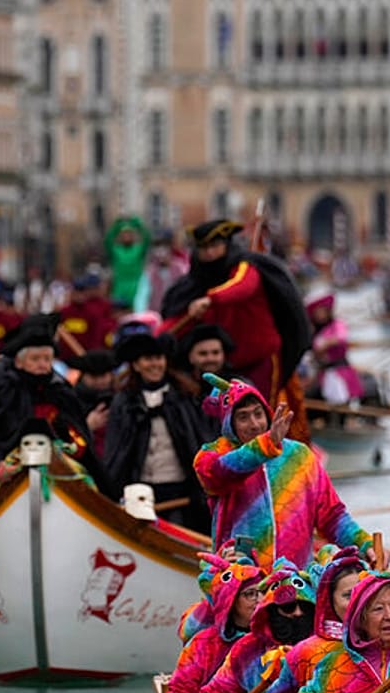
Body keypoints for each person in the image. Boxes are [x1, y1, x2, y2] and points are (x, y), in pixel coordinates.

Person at [193, 373, 373, 567]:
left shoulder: (299, 455)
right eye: (243, 417)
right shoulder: (213, 455)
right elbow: (220, 473)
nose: (254, 424)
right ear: (229, 423)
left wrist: (364, 545)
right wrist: (266, 446)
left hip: (295, 580)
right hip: (242, 581)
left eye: (258, 413)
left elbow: (332, 516)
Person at [0, 315, 110, 495]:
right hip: (6, 470)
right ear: (19, 362)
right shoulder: (2, 386)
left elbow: (78, 435)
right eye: (36, 359)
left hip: (60, 470)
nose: (42, 365)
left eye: (47, 359)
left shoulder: (60, 390)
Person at [160, 219, 312, 406]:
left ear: (226, 245)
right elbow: (181, 318)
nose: (209, 253)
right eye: (203, 248)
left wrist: (210, 299)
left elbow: (242, 286)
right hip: (223, 366)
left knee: (258, 410)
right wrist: (155, 340)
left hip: (260, 358)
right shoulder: (196, 281)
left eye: (214, 246)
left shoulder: (245, 266)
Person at [183, 560, 318, 693]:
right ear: (271, 611)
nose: (298, 613)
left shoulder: (326, 648)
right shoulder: (247, 649)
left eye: (306, 608)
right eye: (289, 607)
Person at [257, 547, 368, 693]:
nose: (358, 602)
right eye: (348, 595)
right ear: (330, 601)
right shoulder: (305, 651)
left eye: (363, 593)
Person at [104, 329, 214, 532]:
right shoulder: (124, 401)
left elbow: (198, 442)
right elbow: (116, 450)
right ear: (136, 365)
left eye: (158, 358)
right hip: (140, 491)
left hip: (180, 492)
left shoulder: (184, 397)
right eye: (147, 359)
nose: (154, 365)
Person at [163, 552, 265, 693]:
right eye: (250, 594)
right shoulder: (203, 643)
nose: (259, 600)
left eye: (262, 592)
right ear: (231, 601)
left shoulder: (277, 641)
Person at [104, 216, 151, 310]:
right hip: (119, 286)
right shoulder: (116, 251)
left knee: (137, 310)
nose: (126, 237)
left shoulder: (138, 249)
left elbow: (147, 239)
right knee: (118, 311)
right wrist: (117, 227)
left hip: (136, 285)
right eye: (124, 234)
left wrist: (137, 225)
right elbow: (107, 241)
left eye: (129, 234)